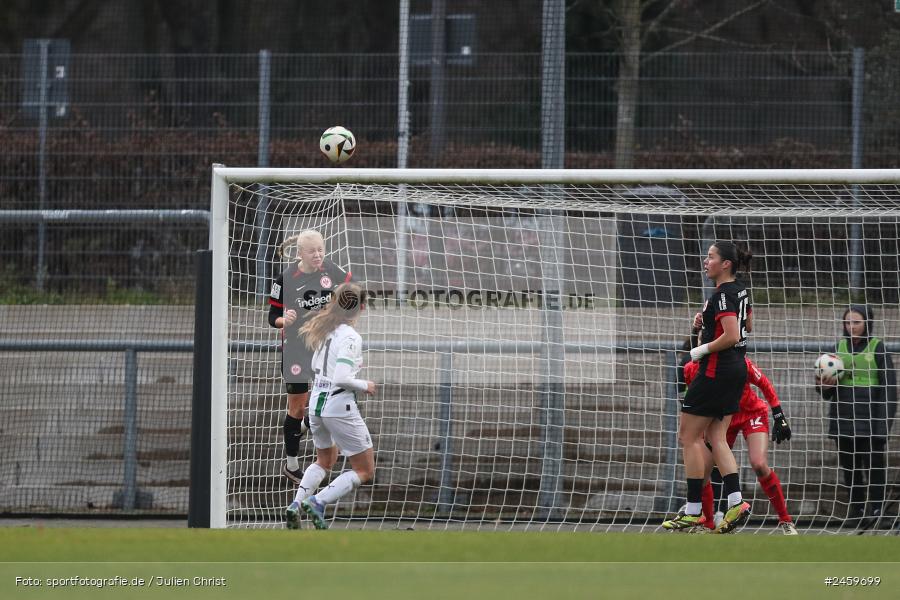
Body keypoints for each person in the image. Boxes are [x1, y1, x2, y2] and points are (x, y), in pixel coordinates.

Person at [663, 241, 753, 533]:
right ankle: (736, 500)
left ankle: (693, 510)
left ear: (725, 263)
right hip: (736, 370)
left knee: (687, 436)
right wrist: (705, 321)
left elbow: (732, 334)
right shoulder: (739, 289)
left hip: (716, 371)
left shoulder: (724, 294)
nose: (706, 260)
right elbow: (748, 325)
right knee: (717, 436)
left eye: (711, 257)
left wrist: (701, 350)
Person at [285, 283, 376, 530]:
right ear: (362, 308)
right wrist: (364, 384)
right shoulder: (350, 337)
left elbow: (316, 366)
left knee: (325, 460)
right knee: (365, 470)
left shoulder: (326, 330)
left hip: (316, 404)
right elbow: (342, 377)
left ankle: (296, 505)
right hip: (338, 405)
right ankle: (317, 502)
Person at [268, 230, 351, 484]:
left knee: (330, 400)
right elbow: (272, 317)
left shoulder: (329, 269)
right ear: (300, 253)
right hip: (295, 349)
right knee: (297, 407)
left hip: (323, 347)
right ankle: (292, 465)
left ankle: (305, 425)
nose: (318, 255)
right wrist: (285, 320)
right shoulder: (285, 279)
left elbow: (352, 287)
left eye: (321, 250)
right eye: (312, 251)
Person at [683, 357, 798, 535]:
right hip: (721, 419)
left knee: (759, 464)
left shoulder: (738, 362)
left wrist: (778, 414)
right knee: (703, 470)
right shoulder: (691, 368)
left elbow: (764, 383)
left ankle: (785, 520)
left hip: (751, 413)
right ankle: (708, 523)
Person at [817, 305, 897, 528]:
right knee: (850, 470)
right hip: (843, 421)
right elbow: (827, 392)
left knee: (874, 469)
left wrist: (883, 427)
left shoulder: (878, 348)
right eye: (847, 322)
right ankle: (858, 510)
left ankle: (878, 511)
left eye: (856, 322)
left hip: (870, 423)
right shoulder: (837, 349)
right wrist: (823, 385)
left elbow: (889, 391)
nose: (851, 327)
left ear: (867, 323)